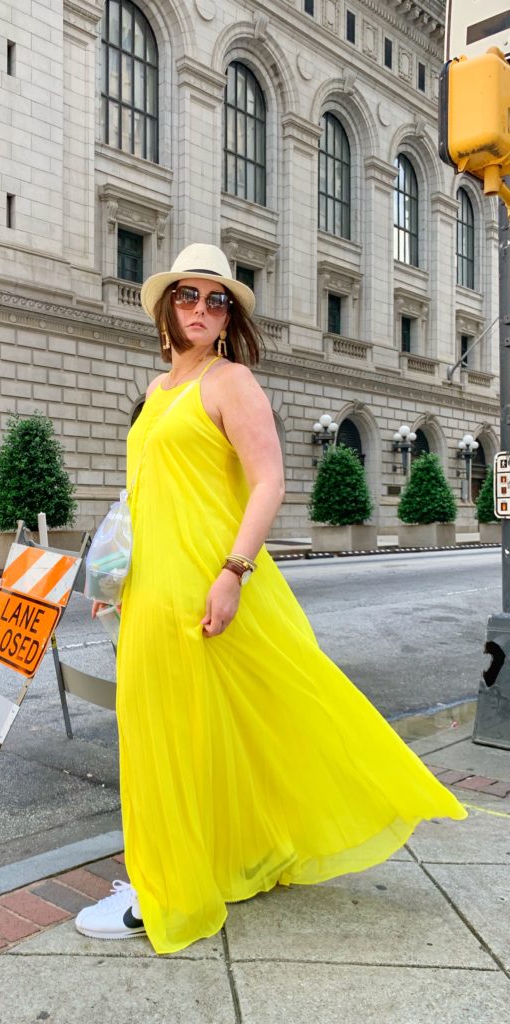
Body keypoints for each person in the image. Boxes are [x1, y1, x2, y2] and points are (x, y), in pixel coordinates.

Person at [75, 243, 466, 955]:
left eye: (216, 299)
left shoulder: (230, 382)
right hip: (150, 585)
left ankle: (170, 892)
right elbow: (142, 497)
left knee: (186, 732)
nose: (200, 309)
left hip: (202, 579)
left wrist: (232, 572)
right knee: (178, 730)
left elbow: (269, 483)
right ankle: (207, 862)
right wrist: (115, 580)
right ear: (167, 306)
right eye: (188, 295)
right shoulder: (160, 390)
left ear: (228, 316)